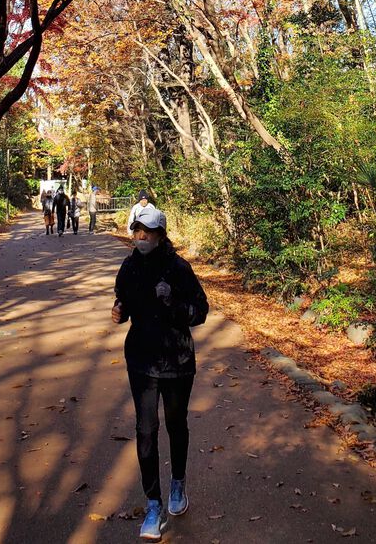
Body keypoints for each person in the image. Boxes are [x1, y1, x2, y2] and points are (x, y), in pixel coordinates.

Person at [112, 204, 208, 539]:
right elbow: (123, 303)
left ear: (160, 235)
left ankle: (178, 484)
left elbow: (200, 312)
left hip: (178, 361)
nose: (141, 238)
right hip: (141, 360)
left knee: (176, 424)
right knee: (146, 430)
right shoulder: (129, 268)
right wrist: (119, 312)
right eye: (137, 232)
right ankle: (153, 503)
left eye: (147, 233)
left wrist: (174, 304)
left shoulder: (179, 268)